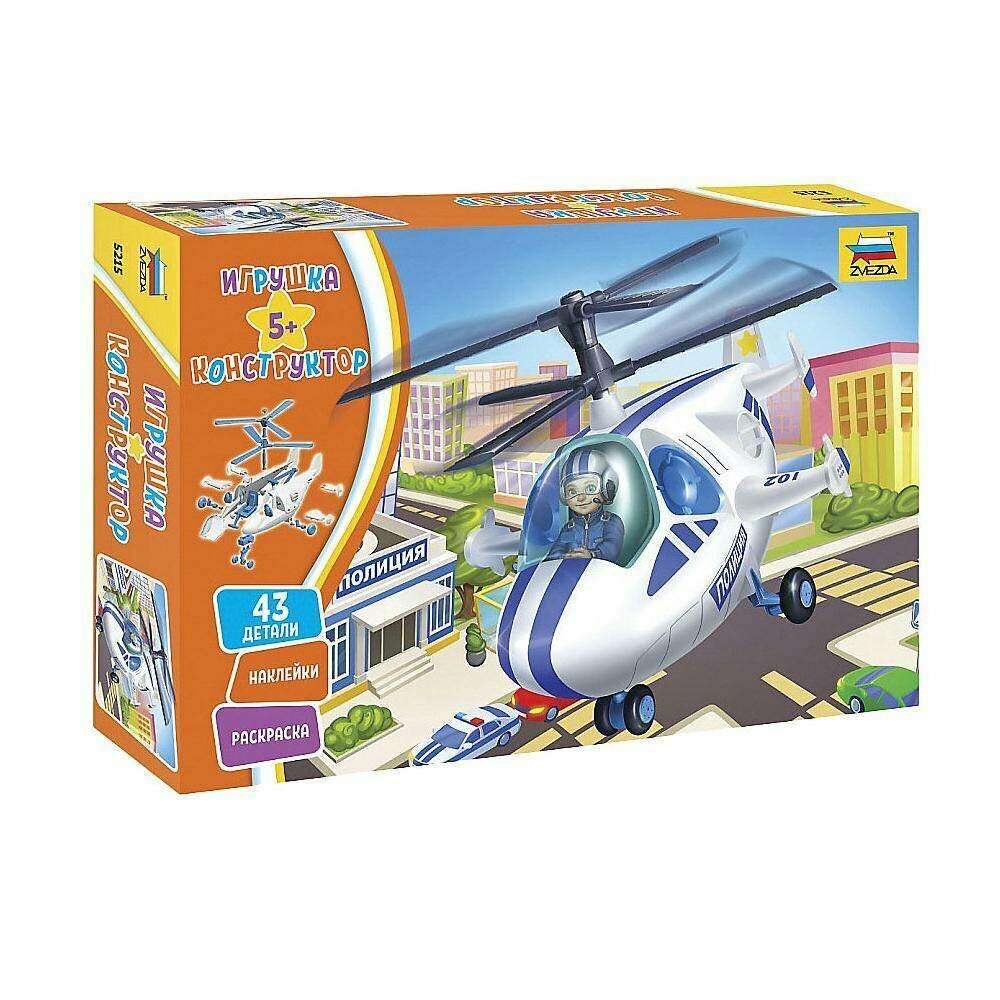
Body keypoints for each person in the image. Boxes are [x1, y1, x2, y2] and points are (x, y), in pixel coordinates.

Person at [549, 448, 625, 563]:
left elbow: (612, 548)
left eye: (590, 488)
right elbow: (557, 550)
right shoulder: (569, 528)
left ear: (607, 487)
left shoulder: (611, 522)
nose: (580, 498)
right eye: (572, 491)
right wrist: (564, 556)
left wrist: (592, 555)